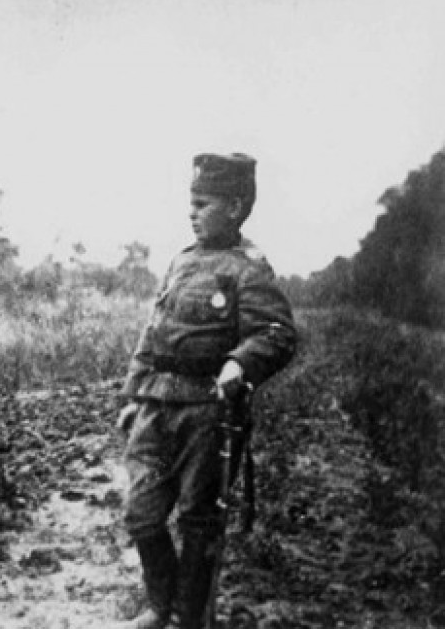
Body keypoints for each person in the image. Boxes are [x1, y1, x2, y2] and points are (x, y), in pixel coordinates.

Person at [109, 153, 297, 629]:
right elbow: (151, 334)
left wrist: (239, 362)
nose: (191, 213)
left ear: (234, 207)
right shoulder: (181, 261)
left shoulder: (248, 268)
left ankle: (186, 619)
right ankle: (160, 604)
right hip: (158, 403)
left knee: (198, 520)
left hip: (208, 411)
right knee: (141, 511)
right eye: (190, 203)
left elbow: (276, 332)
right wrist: (134, 397)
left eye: (202, 203)